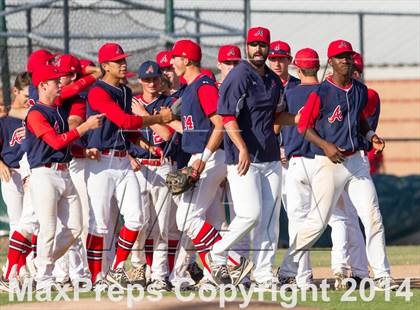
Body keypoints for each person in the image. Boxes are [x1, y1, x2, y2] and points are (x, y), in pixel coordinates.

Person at [283, 39, 397, 291]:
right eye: (340, 56)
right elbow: (304, 127)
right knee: (317, 222)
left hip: (356, 161)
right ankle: (288, 267)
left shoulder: (358, 89)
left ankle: (382, 274)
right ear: (331, 62)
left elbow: (360, 119)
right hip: (330, 162)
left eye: (348, 56)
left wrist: (370, 137)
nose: (346, 60)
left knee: (373, 217)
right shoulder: (321, 92)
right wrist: (325, 145)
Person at [84, 42, 174, 289]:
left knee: (136, 219)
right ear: (105, 66)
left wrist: (142, 141)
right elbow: (124, 119)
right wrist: (159, 118)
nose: (124, 64)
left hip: (123, 160)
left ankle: (115, 271)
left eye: (124, 59)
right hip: (100, 162)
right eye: (118, 61)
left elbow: (126, 129)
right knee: (100, 224)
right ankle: (96, 279)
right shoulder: (97, 91)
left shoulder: (124, 91)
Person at [216, 27, 299, 291]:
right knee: (250, 215)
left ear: (268, 46)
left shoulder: (274, 81)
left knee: (269, 221)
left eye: (262, 44)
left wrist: (299, 120)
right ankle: (216, 253)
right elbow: (226, 116)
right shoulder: (240, 75)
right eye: (254, 44)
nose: (258, 49)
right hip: (243, 158)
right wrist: (241, 147)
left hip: (270, 157)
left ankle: (263, 274)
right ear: (247, 46)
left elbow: (277, 116)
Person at [168, 39, 252, 286]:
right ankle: (218, 272)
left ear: (186, 59)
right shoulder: (192, 86)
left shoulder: (203, 85)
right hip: (205, 155)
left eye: (175, 57)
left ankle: (234, 263)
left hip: (210, 156)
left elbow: (220, 123)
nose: (172, 62)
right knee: (208, 220)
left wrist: (202, 159)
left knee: (186, 217)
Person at [24, 64, 103, 291]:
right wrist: (86, 127)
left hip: (64, 171)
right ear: (42, 85)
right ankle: (44, 278)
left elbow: (64, 147)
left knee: (76, 227)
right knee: (48, 228)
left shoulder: (58, 110)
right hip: (44, 174)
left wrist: (82, 151)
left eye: (60, 80)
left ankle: (40, 265)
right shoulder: (36, 112)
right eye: (55, 81)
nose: (60, 84)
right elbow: (56, 142)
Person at [129, 60, 176, 291]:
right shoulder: (131, 104)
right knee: (138, 222)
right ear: (140, 80)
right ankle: (137, 267)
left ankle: (159, 274)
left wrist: (145, 114)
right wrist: (129, 157)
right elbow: (123, 134)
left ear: (161, 79)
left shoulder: (169, 103)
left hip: (162, 164)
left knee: (162, 225)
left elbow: (167, 134)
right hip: (138, 167)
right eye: (146, 79)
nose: (151, 83)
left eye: (155, 78)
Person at [0, 73, 32, 291]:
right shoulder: (5, 119)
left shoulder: (33, 114)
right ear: (15, 92)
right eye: (27, 94)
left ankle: (23, 269)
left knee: (30, 223)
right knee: (17, 222)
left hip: (32, 173)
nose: (30, 99)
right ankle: (15, 272)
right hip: (10, 172)